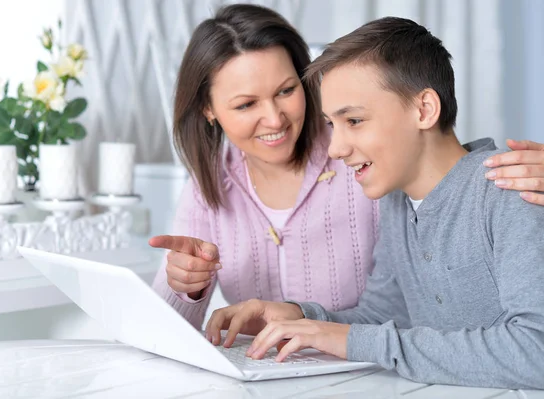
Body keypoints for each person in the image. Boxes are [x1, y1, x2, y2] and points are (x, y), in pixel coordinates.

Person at [150, 4, 544, 332]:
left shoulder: (372, 164)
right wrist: (187, 286)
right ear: (208, 110)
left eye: (286, 91)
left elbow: (433, 158)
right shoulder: (210, 187)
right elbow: (162, 332)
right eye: (245, 104)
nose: (274, 118)